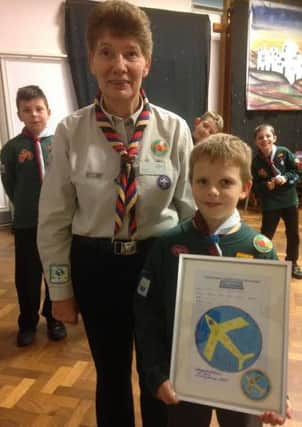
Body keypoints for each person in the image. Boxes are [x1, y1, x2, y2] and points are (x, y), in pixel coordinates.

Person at [37, 1, 195, 426]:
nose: (119, 65)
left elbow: (191, 211)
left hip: (158, 265)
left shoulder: (174, 129)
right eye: (106, 52)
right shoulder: (71, 132)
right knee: (110, 377)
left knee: (156, 376)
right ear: (90, 60)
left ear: (147, 62)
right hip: (96, 267)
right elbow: (53, 220)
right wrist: (60, 291)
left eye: (130, 53)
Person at [134, 133, 292, 427]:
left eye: (226, 182)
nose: (213, 192)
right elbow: (147, 314)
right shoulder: (168, 245)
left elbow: (273, 324)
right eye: (203, 181)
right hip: (184, 377)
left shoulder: (259, 248)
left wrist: (274, 389)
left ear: (245, 188)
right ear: (190, 183)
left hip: (244, 381)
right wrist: (155, 373)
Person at [0, 85, 67, 347]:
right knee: (27, 275)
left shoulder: (60, 144)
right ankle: (27, 322)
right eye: (27, 110)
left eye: (39, 109)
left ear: (48, 111)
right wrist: (26, 206)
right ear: (19, 115)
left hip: (59, 223)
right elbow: (10, 182)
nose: (34, 114)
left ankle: (54, 317)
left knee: (57, 271)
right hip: (28, 223)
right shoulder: (11, 149)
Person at [251, 123, 302, 279]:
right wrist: (266, 185)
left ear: (274, 138)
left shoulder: (284, 153)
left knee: (293, 234)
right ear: (256, 141)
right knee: (266, 235)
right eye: (260, 137)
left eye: (268, 136)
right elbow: (255, 186)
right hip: (271, 204)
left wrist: (286, 177)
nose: (264, 139)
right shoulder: (256, 162)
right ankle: (262, 262)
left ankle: (292, 263)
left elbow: (297, 172)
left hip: (289, 201)